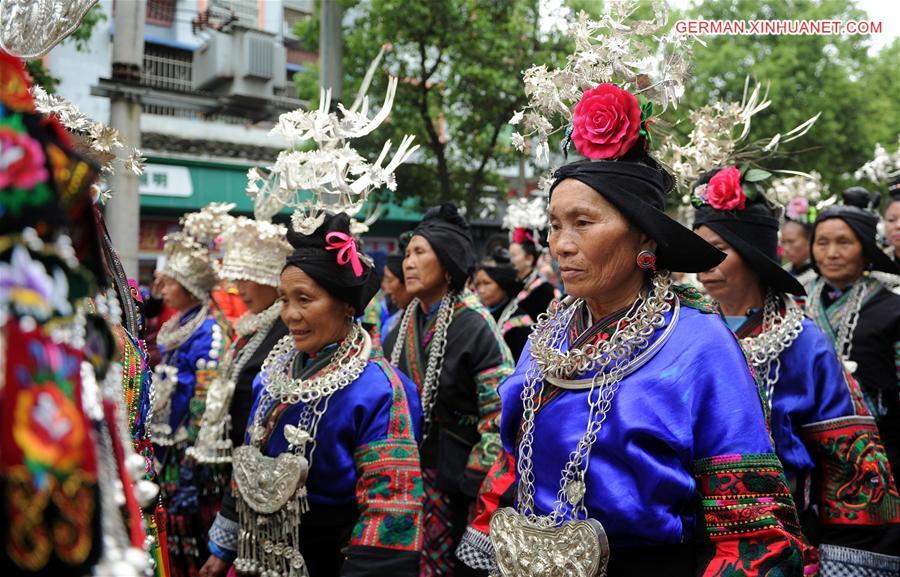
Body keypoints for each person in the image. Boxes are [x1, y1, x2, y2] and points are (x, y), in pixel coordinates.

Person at [458, 86, 808, 577]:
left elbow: (752, 533)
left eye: (583, 222)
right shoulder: (551, 334)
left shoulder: (699, 345)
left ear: (645, 236)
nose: (561, 245)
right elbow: (517, 458)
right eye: (555, 225)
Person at [692, 172, 900, 574]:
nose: (703, 262)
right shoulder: (681, 329)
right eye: (697, 249)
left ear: (752, 252)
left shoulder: (803, 342)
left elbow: (850, 465)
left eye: (717, 249)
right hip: (689, 534)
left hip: (781, 540)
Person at [202, 213, 424, 577]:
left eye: (304, 299)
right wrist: (224, 544)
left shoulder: (381, 390)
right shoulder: (273, 376)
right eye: (284, 300)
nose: (290, 315)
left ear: (346, 304)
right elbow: (251, 464)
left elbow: (390, 509)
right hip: (257, 557)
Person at [384, 204, 515, 577]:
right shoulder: (398, 329)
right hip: (406, 477)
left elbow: (500, 413)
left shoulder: (475, 325)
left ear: (447, 263)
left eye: (419, 252)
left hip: (458, 485)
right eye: (407, 254)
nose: (408, 263)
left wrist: (474, 485)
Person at [150, 205, 232, 577]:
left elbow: (206, 405)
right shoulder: (177, 326)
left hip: (189, 458)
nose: (162, 288)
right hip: (165, 450)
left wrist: (192, 463)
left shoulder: (209, 333)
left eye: (168, 281)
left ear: (187, 285)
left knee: (192, 543)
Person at [806, 187, 900, 478]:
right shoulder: (795, 303)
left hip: (882, 453)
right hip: (810, 450)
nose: (831, 253)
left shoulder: (893, 308)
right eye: (822, 242)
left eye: (844, 242)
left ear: (865, 248)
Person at [187, 216, 292, 465]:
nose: (239, 289)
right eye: (236, 279)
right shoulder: (251, 327)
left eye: (245, 278)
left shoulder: (288, 330)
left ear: (270, 279)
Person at [473, 249, 529, 360]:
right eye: (478, 284)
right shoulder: (477, 314)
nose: (481, 290)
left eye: (487, 283)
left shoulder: (520, 326)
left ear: (503, 285)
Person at [781, 219, 816, 287]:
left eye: (791, 241)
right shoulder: (782, 272)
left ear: (809, 241)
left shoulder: (820, 275)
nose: (786, 248)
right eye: (783, 242)